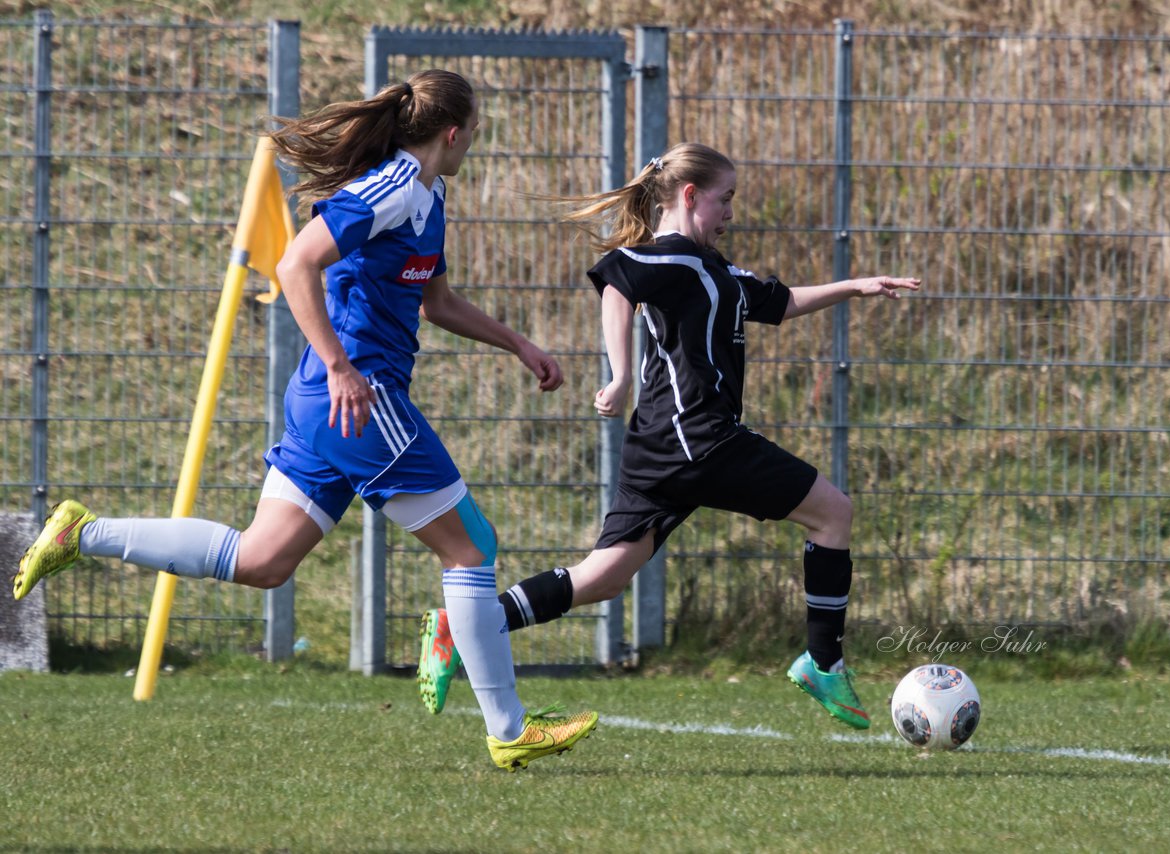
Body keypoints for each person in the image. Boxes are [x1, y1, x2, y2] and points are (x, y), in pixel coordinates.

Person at [12, 69, 597, 769]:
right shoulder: (393, 186)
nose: (476, 141)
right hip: (356, 399)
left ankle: (84, 532)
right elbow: (295, 265)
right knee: (470, 546)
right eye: (476, 130)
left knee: (263, 560)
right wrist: (343, 367)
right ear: (454, 132)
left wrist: (519, 344)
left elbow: (436, 303)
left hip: (332, 404)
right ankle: (508, 730)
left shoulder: (430, 195)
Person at [418, 141, 920, 730]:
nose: (732, 212)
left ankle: (467, 624)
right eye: (724, 199)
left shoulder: (715, 269)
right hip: (699, 439)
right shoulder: (671, 258)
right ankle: (823, 660)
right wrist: (621, 372)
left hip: (662, 446)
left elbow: (780, 304)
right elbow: (617, 286)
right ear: (689, 196)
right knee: (833, 513)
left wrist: (855, 286)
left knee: (603, 577)